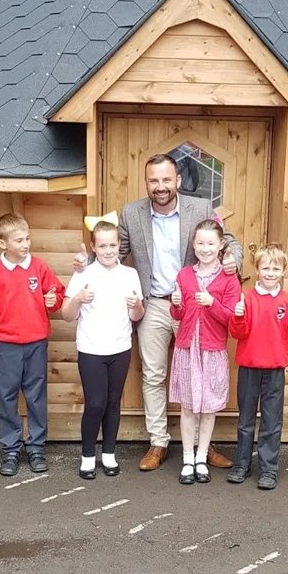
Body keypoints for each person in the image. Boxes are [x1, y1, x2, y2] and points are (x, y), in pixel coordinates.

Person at [74, 154, 242, 471]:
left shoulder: (201, 209)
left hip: (193, 307)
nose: (160, 187)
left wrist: (234, 256)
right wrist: (84, 267)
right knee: (153, 375)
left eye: (166, 180)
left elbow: (227, 240)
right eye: (154, 181)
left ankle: (203, 448)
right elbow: (113, 252)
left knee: (200, 372)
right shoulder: (132, 213)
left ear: (177, 180)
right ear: (147, 182)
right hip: (152, 304)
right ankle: (158, 441)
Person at [0, 214, 64, 477]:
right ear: (2, 243)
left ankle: (36, 448)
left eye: (27, 238)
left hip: (36, 343)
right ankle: (10, 449)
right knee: (7, 397)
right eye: (19, 240)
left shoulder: (39, 267)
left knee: (36, 396)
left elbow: (57, 292)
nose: (25, 244)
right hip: (7, 346)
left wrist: (52, 300)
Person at [62, 219, 144, 479]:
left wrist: (137, 305)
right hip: (91, 350)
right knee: (95, 403)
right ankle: (88, 456)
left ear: (120, 245)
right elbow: (66, 314)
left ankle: (109, 453)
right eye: (102, 246)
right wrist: (78, 298)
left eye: (113, 245)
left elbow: (136, 316)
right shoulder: (83, 274)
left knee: (112, 403)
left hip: (120, 348)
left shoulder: (129, 274)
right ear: (93, 247)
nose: (108, 250)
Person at [227, 243, 288, 491]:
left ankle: (269, 469)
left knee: (272, 422)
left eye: (276, 268)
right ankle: (242, 465)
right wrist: (239, 315)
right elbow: (236, 332)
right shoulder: (247, 298)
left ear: (283, 271)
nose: (271, 272)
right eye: (266, 268)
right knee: (245, 420)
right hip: (249, 368)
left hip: (275, 370)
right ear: (257, 269)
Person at [169, 219, 241, 484]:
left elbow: (232, 319)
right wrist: (175, 304)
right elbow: (178, 313)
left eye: (211, 243)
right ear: (193, 244)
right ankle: (187, 458)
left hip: (212, 350)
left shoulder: (229, 278)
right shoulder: (185, 275)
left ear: (221, 244)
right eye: (200, 243)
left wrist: (212, 303)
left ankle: (202, 457)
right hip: (188, 348)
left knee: (208, 407)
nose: (205, 248)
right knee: (188, 406)